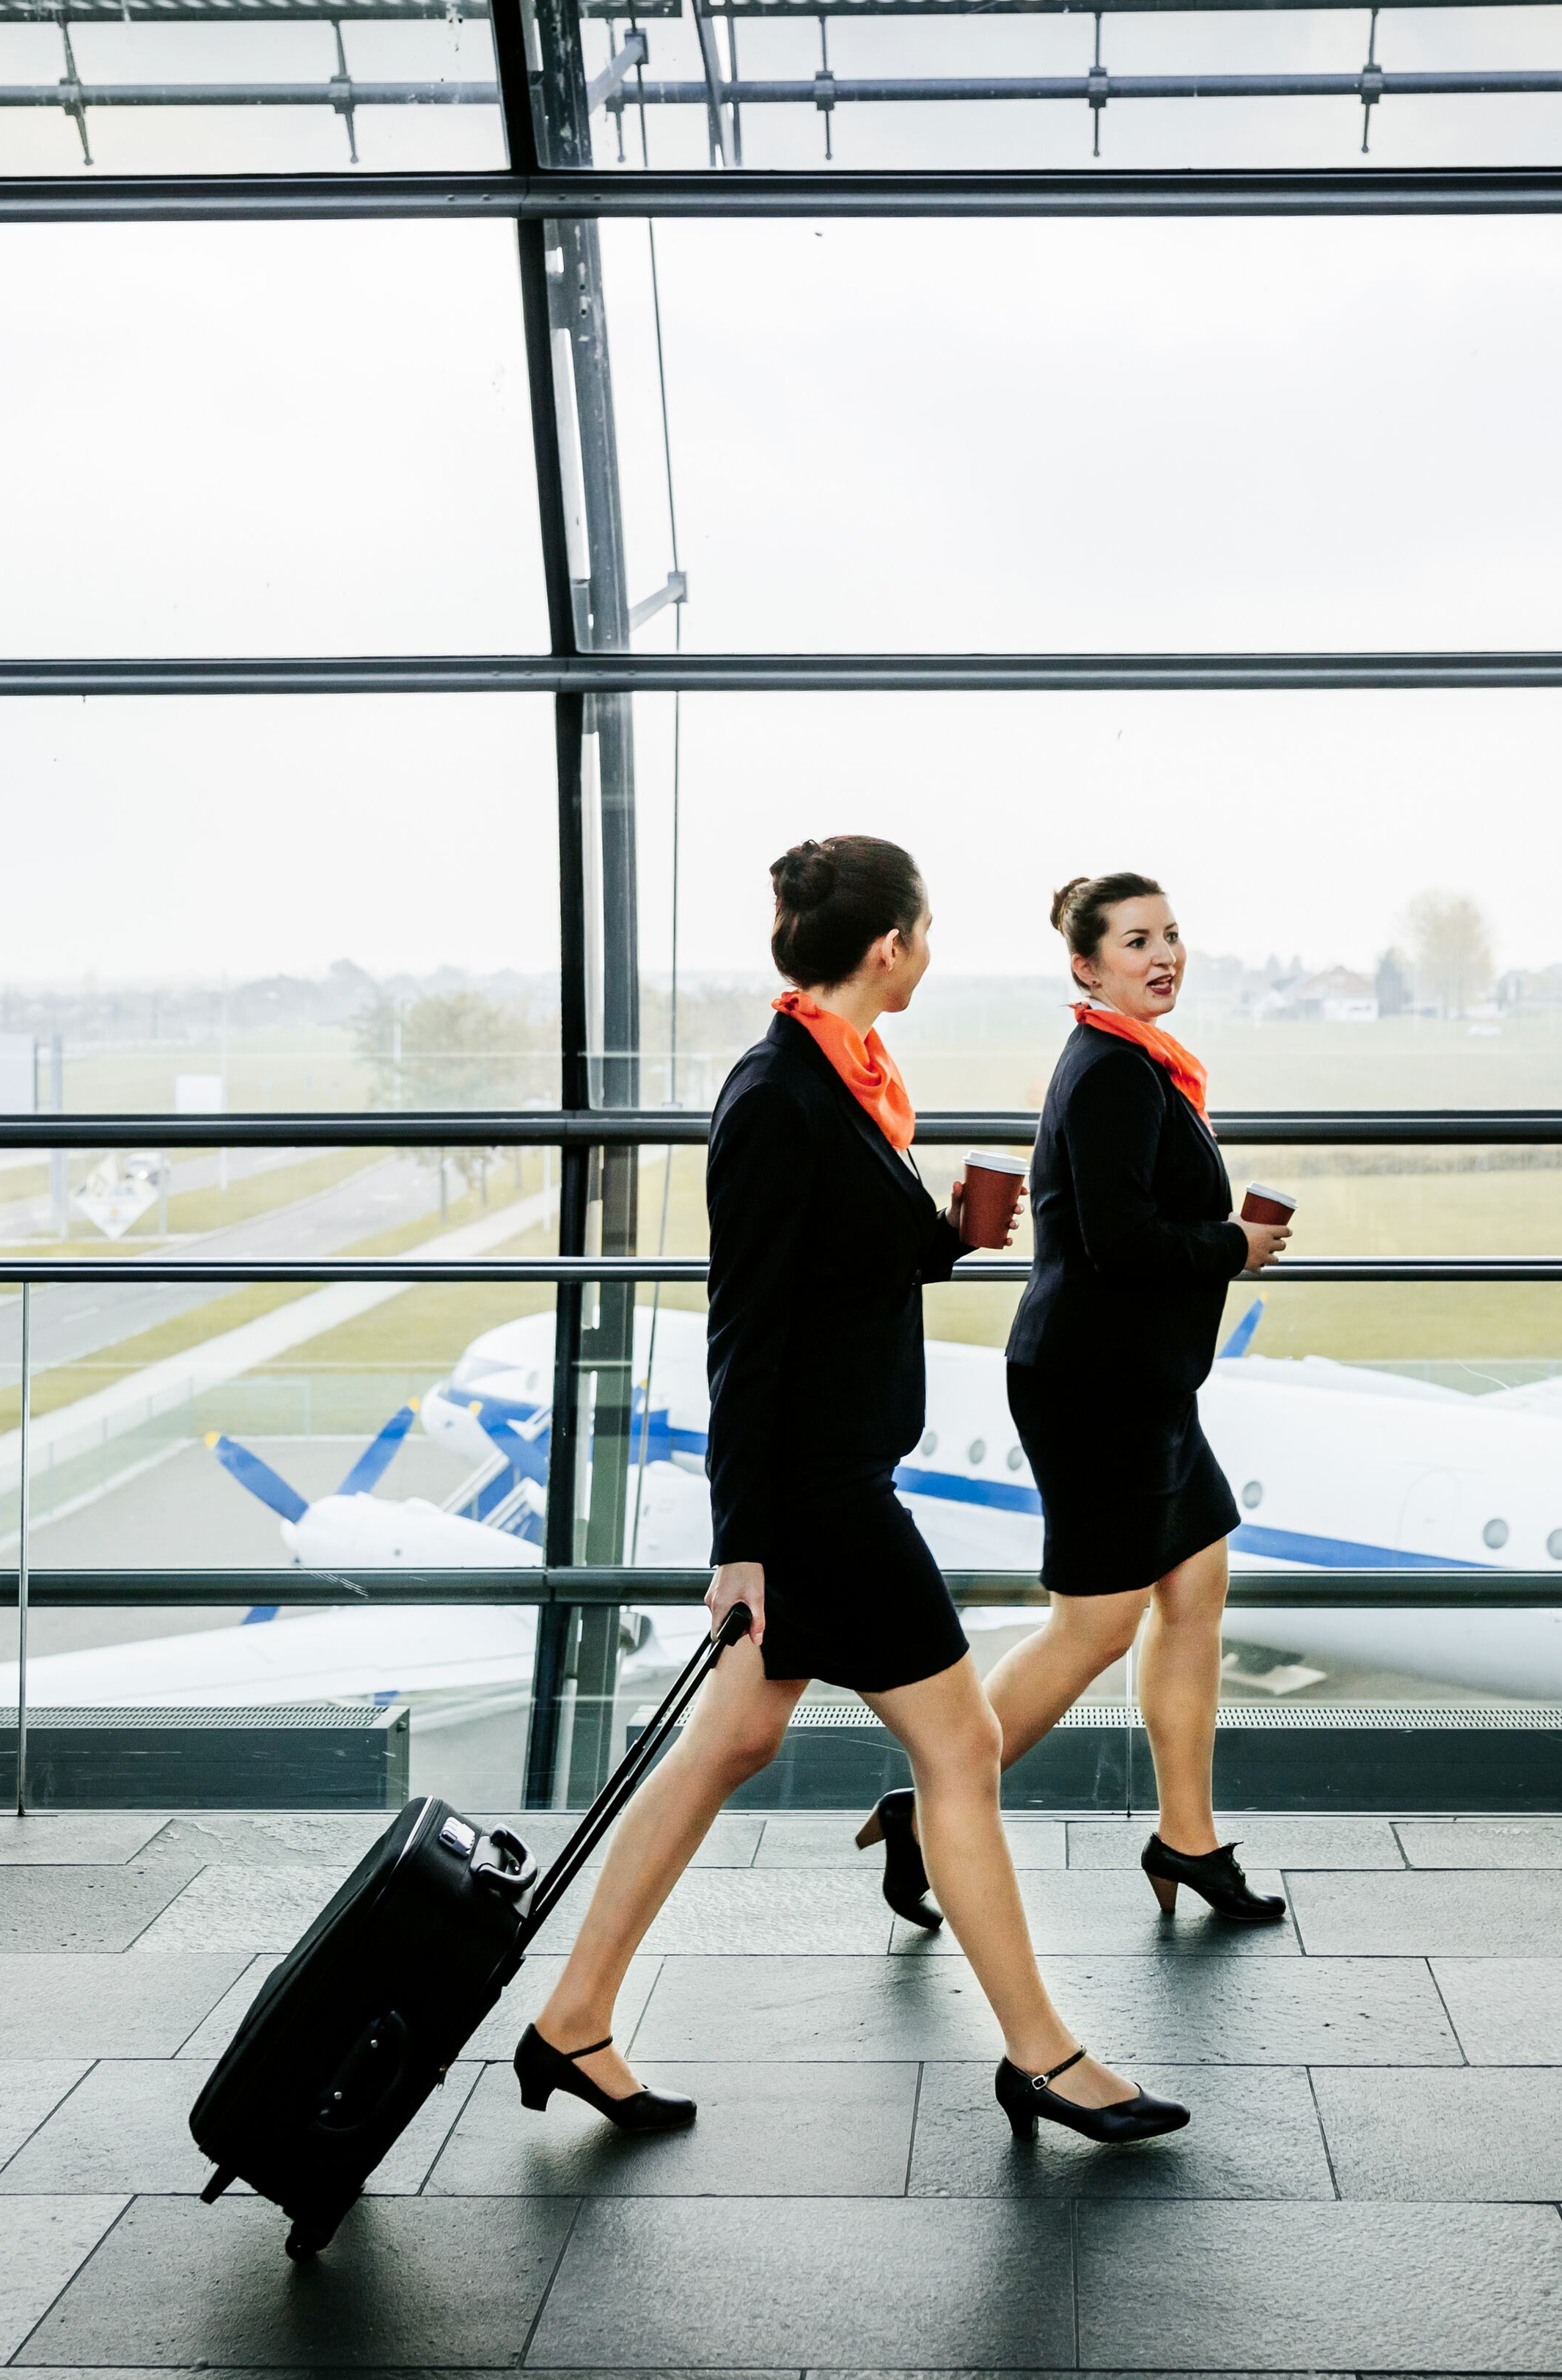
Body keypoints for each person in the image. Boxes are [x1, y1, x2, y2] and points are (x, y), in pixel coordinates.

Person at [518, 837, 1185, 2148]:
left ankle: (572, 2021)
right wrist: (742, 1544)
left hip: (828, 1478)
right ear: (892, 946)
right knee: (963, 1748)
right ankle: (1043, 2056)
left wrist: (941, 1236)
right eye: (926, 931)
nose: (930, 950)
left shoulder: (840, 1078)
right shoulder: (778, 1094)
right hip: (817, 1502)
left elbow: (831, 1276)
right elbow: (747, 1328)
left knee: (734, 1742)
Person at [872, 872, 1294, 1930]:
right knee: (1095, 1627)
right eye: (1137, 940)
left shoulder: (1140, 1066)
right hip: (1097, 1385)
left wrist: (1214, 1244)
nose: (1164, 955)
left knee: (1195, 1588)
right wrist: (1231, 1244)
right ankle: (933, 1807)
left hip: (1143, 1382)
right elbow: (1119, 1242)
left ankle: (1186, 1838)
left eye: (1173, 935)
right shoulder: (1109, 1070)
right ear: (1087, 965)